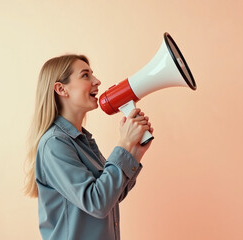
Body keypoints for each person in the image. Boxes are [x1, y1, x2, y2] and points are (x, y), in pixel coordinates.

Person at [24, 54, 153, 240]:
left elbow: (112, 197)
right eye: (85, 75)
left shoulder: (83, 141)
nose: (97, 81)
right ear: (61, 89)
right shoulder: (54, 144)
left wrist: (134, 153)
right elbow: (97, 203)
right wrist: (124, 145)